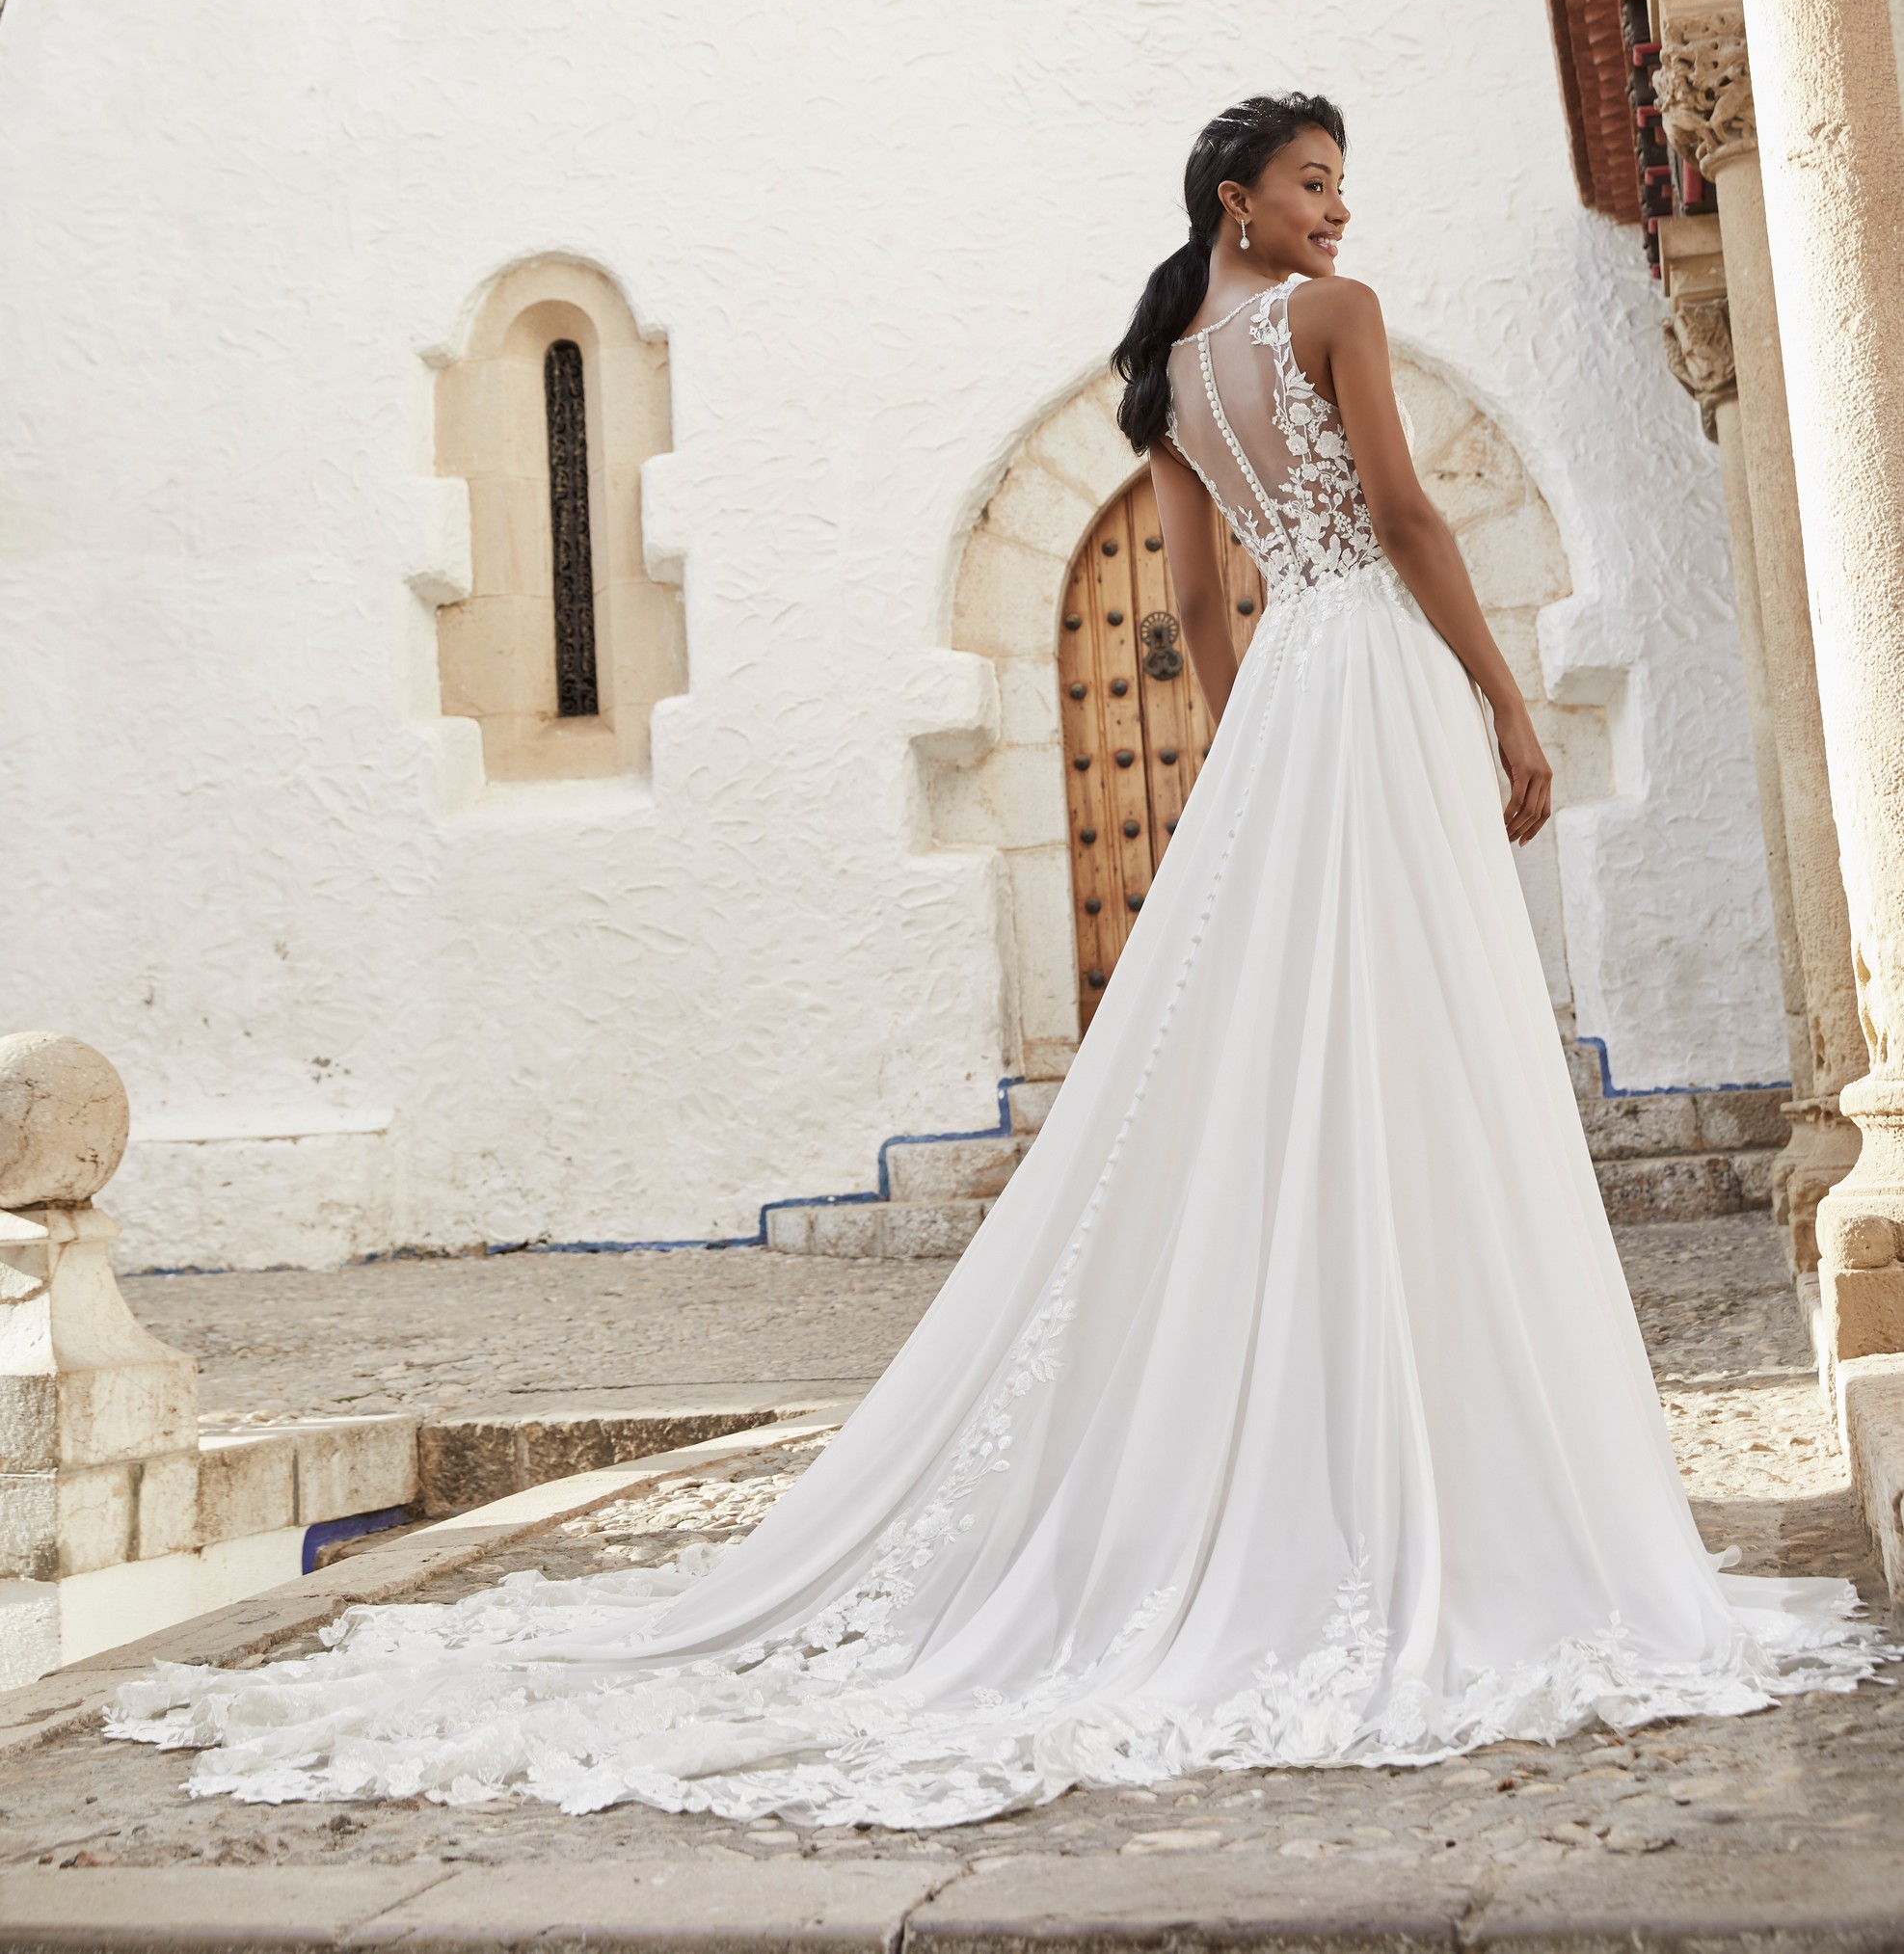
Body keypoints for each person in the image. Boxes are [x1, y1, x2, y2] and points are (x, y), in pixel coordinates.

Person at [115, 94, 1881, 1827]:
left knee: (1297, 1048)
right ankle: (1454, 1460)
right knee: (1424, 1035)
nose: (1342, 211)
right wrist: (1503, 695)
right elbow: (1411, 520)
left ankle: (1362, 1441)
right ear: (1236, 197)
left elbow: (1198, 609)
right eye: (1316, 181)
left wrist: (1264, 730)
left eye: (1346, 185)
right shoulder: (1331, 321)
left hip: (1291, 707)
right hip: (1385, 679)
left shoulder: (1176, 382)